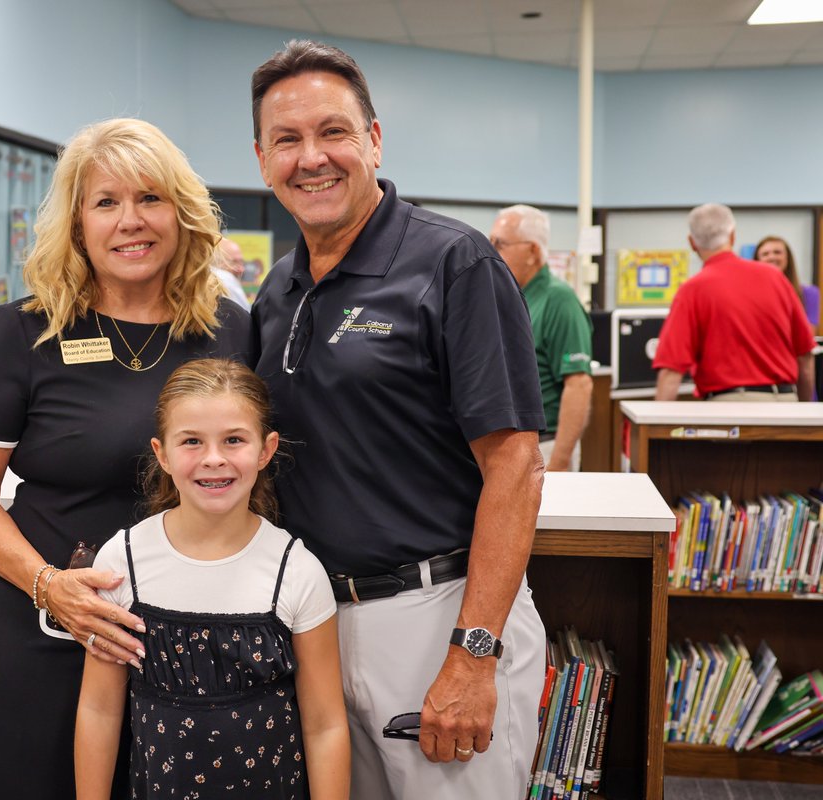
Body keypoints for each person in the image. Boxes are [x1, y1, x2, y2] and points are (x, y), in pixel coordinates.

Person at [247, 40, 547, 800]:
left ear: (374, 140)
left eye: (333, 132)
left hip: (437, 616)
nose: (311, 157)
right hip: (314, 622)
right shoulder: (277, 292)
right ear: (261, 159)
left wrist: (473, 656)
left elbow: (514, 464)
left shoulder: (456, 264)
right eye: (287, 140)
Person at [0, 118, 251, 799]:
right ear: (77, 222)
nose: (130, 221)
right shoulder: (26, 331)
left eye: (151, 198)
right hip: (53, 634)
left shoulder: (228, 327)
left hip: (195, 637)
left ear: (183, 212)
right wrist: (47, 584)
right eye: (106, 202)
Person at [75, 358, 348, 800]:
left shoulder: (295, 570)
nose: (214, 459)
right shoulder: (121, 561)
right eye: (191, 441)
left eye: (234, 440)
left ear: (266, 449)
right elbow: (99, 708)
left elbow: (325, 725)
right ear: (161, 452)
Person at [653, 204, 815, 402]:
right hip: (785, 401)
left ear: (692, 242)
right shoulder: (775, 277)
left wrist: (655, 428)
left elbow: (671, 372)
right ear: (732, 235)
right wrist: (803, 411)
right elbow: (805, 356)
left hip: (729, 408)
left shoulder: (692, 290)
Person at [490, 205, 592, 471]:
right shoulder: (510, 295)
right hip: (509, 443)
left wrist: (559, 462)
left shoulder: (559, 299)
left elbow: (579, 385)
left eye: (499, 244)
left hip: (546, 445)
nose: (491, 251)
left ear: (533, 251)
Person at [755, 235, 820, 328]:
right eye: (765, 254)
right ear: (757, 261)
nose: (772, 257)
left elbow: (809, 333)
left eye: (777, 252)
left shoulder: (809, 293)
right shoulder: (750, 295)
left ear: (788, 258)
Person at [213, 237, 252, 310]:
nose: (241, 269)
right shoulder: (226, 279)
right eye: (234, 262)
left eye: (241, 262)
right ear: (215, 262)